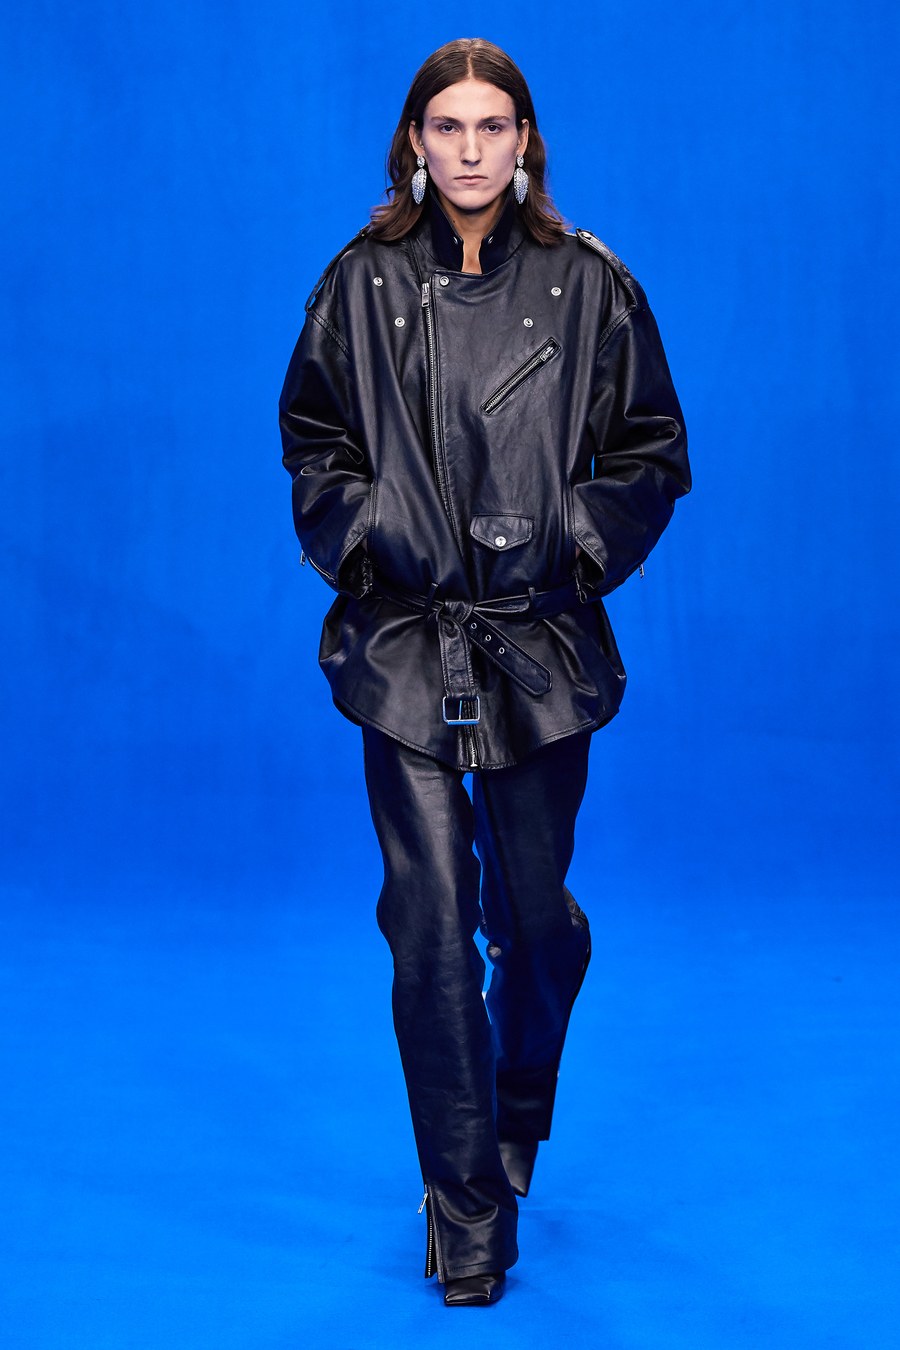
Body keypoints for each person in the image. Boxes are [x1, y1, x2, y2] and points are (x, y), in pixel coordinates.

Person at [279, 37, 691, 1307]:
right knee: (428, 928)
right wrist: (369, 538)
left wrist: (572, 540)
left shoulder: (590, 286)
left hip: (540, 639)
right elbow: (312, 439)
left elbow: (653, 451)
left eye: (492, 126)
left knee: (534, 925)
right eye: (447, 126)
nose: (469, 149)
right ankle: (466, 1214)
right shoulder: (357, 282)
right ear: (414, 141)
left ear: (526, 143)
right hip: (405, 641)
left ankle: (519, 1101)